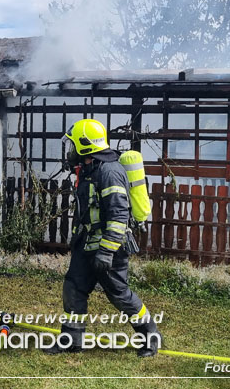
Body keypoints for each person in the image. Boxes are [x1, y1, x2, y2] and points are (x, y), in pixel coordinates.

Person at [45, 118, 161, 357]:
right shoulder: (90, 169)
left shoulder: (109, 172)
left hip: (110, 248)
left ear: (85, 146)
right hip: (87, 244)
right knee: (74, 288)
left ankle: (150, 336)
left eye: (73, 145)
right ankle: (71, 340)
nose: (70, 151)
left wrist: (106, 251)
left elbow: (119, 215)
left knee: (120, 295)